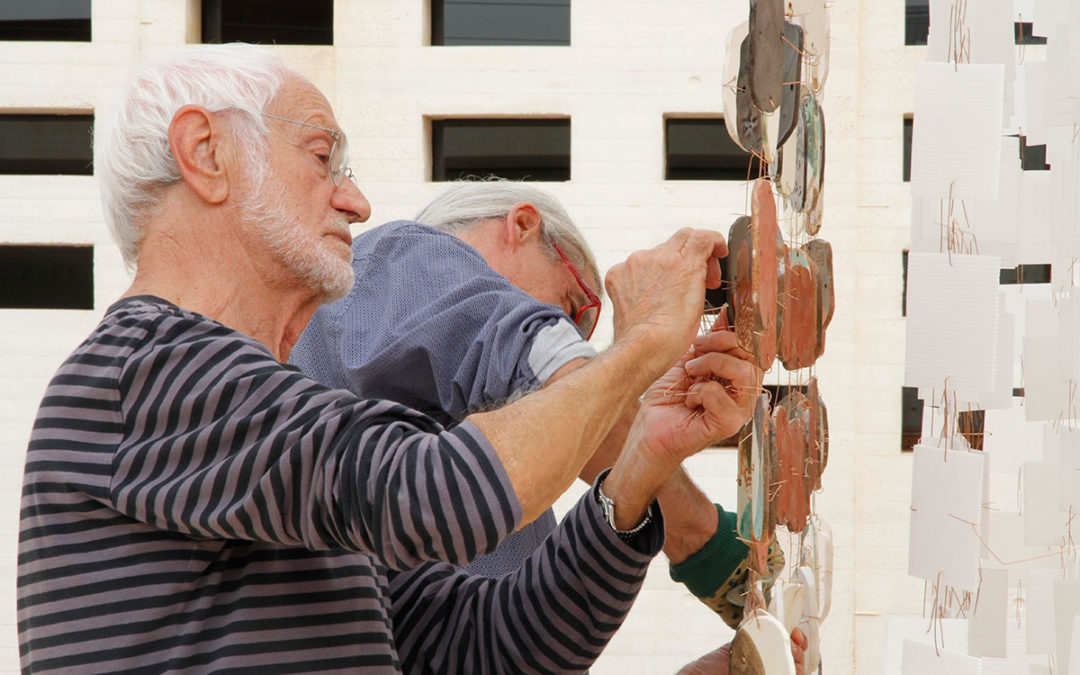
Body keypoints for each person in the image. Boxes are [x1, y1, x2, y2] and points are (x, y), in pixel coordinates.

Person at [17, 43, 764, 674]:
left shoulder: (262, 414)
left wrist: (640, 461)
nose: (358, 201)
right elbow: (442, 493)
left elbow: (489, 646)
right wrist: (638, 350)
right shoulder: (143, 367)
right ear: (206, 154)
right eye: (322, 157)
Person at [289, 180, 766, 617]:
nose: (573, 338)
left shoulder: (506, 473)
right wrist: (709, 546)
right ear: (521, 226)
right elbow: (549, 376)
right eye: (571, 309)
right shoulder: (410, 255)